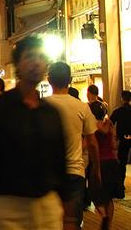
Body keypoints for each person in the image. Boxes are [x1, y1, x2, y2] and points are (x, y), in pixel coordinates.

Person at [0, 35, 67, 230]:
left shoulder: (51, 113)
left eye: (41, 57)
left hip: (48, 206)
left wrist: (68, 212)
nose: (36, 62)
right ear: (17, 64)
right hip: (9, 208)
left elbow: (59, 163)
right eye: (30, 56)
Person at [46, 62, 101, 229]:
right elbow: (92, 143)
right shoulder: (82, 107)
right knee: (71, 222)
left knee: (50, 222)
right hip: (75, 173)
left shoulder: (42, 106)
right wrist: (96, 170)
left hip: (48, 173)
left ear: (49, 80)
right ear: (70, 80)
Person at [92, 104, 125, 229]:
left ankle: (104, 215)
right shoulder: (109, 124)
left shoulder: (92, 126)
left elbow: (89, 144)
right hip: (112, 162)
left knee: (95, 194)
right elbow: (114, 144)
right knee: (109, 197)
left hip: (99, 162)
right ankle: (109, 225)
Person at [110, 90, 131, 187]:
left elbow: (110, 123)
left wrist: (114, 137)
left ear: (122, 98)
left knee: (122, 163)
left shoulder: (118, 111)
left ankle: (120, 185)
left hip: (122, 139)